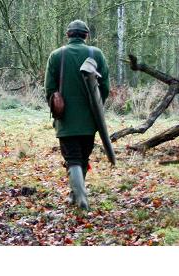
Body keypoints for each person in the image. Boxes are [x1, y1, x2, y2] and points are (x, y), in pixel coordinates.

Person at [44, 20, 110, 210]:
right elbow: (105, 87)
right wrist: (96, 107)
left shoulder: (56, 55)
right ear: (85, 36)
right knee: (82, 157)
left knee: (72, 157)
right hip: (90, 120)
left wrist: (56, 107)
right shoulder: (96, 54)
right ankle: (76, 194)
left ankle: (80, 196)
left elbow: (49, 89)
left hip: (66, 120)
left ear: (68, 35)